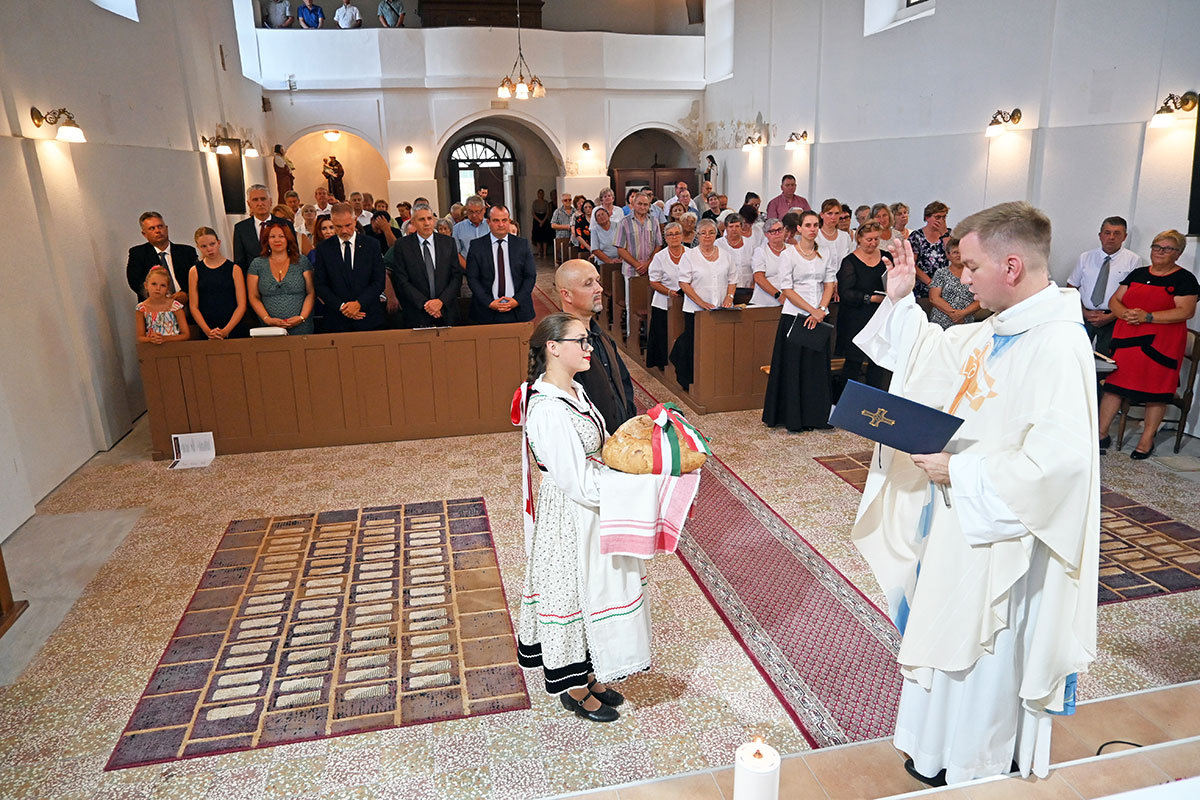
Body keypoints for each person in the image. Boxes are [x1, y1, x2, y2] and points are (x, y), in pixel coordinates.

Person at [850, 201, 1100, 787]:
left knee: (986, 641)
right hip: (960, 517)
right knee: (946, 621)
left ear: (1011, 266)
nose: (960, 280)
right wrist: (902, 299)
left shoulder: (1056, 345)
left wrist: (962, 474)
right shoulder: (1000, 327)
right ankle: (933, 747)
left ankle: (974, 758)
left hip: (1003, 533)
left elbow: (1059, 466)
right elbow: (932, 356)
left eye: (969, 266)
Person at [516, 312, 646, 724]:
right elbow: (575, 481)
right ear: (553, 348)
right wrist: (628, 492)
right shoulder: (547, 408)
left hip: (593, 503)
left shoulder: (575, 389)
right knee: (572, 591)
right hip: (571, 512)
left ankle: (590, 675)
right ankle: (572, 688)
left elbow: (601, 445)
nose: (589, 348)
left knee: (594, 590)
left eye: (588, 340)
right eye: (581, 341)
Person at [1097, 230, 1199, 458]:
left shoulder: (1185, 279)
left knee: (1156, 392)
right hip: (1126, 343)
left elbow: (1186, 311)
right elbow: (1115, 300)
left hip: (1161, 346)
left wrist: (1148, 317)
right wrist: (1124, 313)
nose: (1160, 252)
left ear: (1178, 253)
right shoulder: (1138, 274)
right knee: (1113, 388)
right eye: (1156, 247)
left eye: (1167, 248)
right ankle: (1101, 435)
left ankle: (1146, 441)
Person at [762, 210, 836, 432]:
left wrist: (821, 310)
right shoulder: (789, 254)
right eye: (808, 225)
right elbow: (787, 288)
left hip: (819, 317)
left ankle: (816, 416)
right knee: (794, 367)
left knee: (816, 368)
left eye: (815, 225)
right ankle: (793, 418)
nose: (812, 229)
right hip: (795, 316)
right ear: (800, 229)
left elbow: (829, 283)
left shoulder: (825, 252)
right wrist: (811, 310)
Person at [555, 261, 637, 432]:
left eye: (597, 281)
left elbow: (623, 382)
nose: (599, 288)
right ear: (567, 295)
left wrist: (628, 421)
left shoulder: (601, 336)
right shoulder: (561, 347)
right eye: (588, 283)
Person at [671, 219, 736, 391]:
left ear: (717, 235)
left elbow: (732, 280)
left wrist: (729, 297)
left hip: (720, 310)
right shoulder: (689, 256)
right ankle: (690, 380)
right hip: (696, 310)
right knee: (694, 345)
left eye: (711, 232)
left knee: (718, 345)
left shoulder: (726, 256)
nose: (707, 236)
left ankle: (715, 380)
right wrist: (701, 303)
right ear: (698, 235)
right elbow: (684, 283)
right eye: (703, 233)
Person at [1067, 216, 1140, 356]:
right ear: (1100, 235)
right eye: (1107, 233)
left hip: (1113, 318)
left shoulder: (1133, 260)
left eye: (1117, 233)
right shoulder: (1085, 257)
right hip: (1084, 316)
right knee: (1076, 354)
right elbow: (1071, 287)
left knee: (1106, 359)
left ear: (1124, 237)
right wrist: (1084, 312)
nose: (1111, 237)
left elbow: (1132, 295)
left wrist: (1110, 316)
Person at [310, 203, 386, 332]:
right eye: (338, 227)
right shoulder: (324, 249)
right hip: (336, 319)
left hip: (368, 317)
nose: (344, 231)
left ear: (355, 221)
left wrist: (359, 304)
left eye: (348, 225)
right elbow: (320, 284)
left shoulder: (372, 245)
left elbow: (378, 281)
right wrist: (342, 307)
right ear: (333, 222)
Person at [386, 203, 463, 328]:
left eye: (429, 218)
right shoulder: (402, 245)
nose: (427, 223)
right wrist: (426, 305)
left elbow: (456, 276)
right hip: (416, 312)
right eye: (422, 219)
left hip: (446, 311)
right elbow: (401, 280)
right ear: (413, 222)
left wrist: (441, 302)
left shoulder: (448, 243)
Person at [835, 222, 892, 390]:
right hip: (856, 317)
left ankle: (876, 398)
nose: (873, 243)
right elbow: (846, 293)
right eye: (869, 239)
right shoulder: (850, 261)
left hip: (880, 316)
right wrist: (871, 298)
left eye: (876, 239)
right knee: (853, 362)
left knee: (878, 362)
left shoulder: (886, 257)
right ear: (859, 238)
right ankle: (848, 399)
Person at [465, 205, 537, 324]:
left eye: (504, 220)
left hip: (518, 310)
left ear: (509, 221)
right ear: (488, 222)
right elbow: (472, 278)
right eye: (496, 220)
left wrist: (516, 300)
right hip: (486, 310)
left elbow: (530, 276)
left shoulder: (522, 245)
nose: (501, 224)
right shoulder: (477, 246)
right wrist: (489, 302)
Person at [248, 221, 316, 335]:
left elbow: (311, 292)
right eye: (272, 237)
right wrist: (267, 319)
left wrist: (302, 317)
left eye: (281, 236)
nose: (277, 240)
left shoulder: (302, 261)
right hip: (269, 330)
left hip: (302, 328)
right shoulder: (257, 264)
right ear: (267, 240)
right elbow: (253, 296)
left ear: (288, 239)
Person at [614, 192, 664, 329]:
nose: (643, 207)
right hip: (631, 270)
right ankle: (631, 334)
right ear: (633, 204)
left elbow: (658, 245)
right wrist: (637, 265)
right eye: (640, 204)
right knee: (632, 303)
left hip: (650, 269)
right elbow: (620, 248)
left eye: (646, 204)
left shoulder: (654, 221)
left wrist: (648, 264)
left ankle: (650, 333)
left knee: (650, 303)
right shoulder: (624, 222)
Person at [189, 227, 247, 340]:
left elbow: (241, 305)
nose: (209, 249)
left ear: (218, 243)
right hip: (208, 328)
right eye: (204, 246)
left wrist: (226, 330)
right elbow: (193, 306)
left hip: (233, 327)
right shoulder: (194, 271)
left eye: (212, 244)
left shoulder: (234, 269)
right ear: (198, 247)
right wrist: (208, 331)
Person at [126, 211, 196, 302]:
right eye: (152, 228)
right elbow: (136, 283)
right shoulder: (138, 254)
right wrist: (162, 298)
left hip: (187, 302)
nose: (157, 231)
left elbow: (198, 278)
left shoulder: (187, 252)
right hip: (155, 305)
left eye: (160, 226)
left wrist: (186, 293)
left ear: (166, 228)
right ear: (144, 234)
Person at [646, 223, 687, 371]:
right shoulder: (659, 257)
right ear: (665, 238)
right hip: (663, 301)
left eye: (677, 233)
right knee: (662, 333)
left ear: (682, 236)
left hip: (687, 300)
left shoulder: (691, 254)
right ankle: (663, 363)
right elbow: (653, 281)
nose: (674, 237)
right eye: (670, 234)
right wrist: (670, 292)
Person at [928, 237, 981, 329]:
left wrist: (962, 314)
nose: (959, 255)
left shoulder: (975, 273)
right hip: (940, 323)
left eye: (962, 252)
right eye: (955, 252)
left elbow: (981, 299)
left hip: (965, 323)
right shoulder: (941, 273)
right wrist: (954, 314)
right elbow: (934, 298)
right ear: (948, 255)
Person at [234, 184, 289, 270]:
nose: (260, 203)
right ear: (249, 204)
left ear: (270, 201)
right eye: (255, 200)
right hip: (253, 276)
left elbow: (293, 254)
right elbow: (239, 262)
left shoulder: (285, 224)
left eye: (263, 199)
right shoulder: (241, 228)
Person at [908, 201, 950, 308]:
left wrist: (944, 233)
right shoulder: (916, 236)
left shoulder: (949, 235)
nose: (941, 220)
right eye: (937, 217)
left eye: (944, 217)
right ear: (927, 217)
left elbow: (953, 256)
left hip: (944, 287)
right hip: (922, 287)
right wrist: (930, 283)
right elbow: (911, 264)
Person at [136, 266, 190, 344]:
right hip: (152, 348)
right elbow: (140, 337)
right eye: (154, 284)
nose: (158, 288)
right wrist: (151, 339)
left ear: (168, 289)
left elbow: (186, 335)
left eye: (163, 285)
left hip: (175, 347)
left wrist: (165, 339)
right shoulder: (141, 308)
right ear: (146, 285)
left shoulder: (175, 307)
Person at [749, 217, 788, 307]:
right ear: (766, 234)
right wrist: (779, 296)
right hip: (765, 303)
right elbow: (759, 278)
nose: (777, 233)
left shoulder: (792, 250)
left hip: (790, 300)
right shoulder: (760, 251)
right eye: (773, 231)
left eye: (780, 230)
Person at [716, 213, 753, 304]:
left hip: (748, 290)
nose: (734, 229)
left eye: (737, 226)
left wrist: (754, 285)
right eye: (731, 226)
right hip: (725, 291)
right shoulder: (718, 245)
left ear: (741, 227)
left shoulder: (750, 244)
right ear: (726, 228)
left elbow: (756, 266)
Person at [817, 198, 854, 278]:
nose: (833, 217)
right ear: (822, 215)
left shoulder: (845, 236)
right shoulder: (816, 236)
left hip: (843, 279)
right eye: (829, 213)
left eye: (837, 213)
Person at [453, 195, 489, 269]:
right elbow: (456, 252)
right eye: (471, 212)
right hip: (466, 268)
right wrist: (469, 269)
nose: (474, 215)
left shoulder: (490, 226)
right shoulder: (458, 228)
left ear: (484, 210)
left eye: (477, 212)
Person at [551, 192, 574, 262]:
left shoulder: (575, 211)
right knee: (562, 258)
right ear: (562, 201)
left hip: (573, 238)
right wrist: (566, 227)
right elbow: (553, 225)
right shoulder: (557, 212)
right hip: (562, 237)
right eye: (565, 200)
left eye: (569, 200)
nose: (568, 202)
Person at [531, 188, 553, 258]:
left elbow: (547, 213)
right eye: (539, 193)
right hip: (537, 219)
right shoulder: (535, 202)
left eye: (542, 193)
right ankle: (539, 253)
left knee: (545, 237)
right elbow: (533, 213)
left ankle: (544, 253)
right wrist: (539, 221)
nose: (541, 195)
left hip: (544, 219)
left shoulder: (546, 202)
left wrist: (543, 221)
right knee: (538, 237)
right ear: (537, 194)